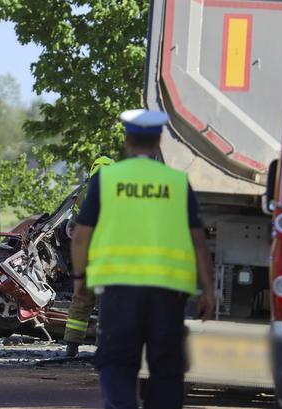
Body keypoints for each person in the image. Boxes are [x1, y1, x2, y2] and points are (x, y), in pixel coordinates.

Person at [70, 109, 216, 409]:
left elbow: (81, 235)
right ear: (159, 140)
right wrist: (208, 290)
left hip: (119, 291)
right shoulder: (177, 182)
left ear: (126, 140)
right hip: (168, 293)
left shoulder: (107, 180)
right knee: (165, 371)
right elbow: (198, 240)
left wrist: (80, 279)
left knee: (117, 365)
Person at [64, 156, 115, 357]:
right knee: (107, 305)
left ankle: (71, 346)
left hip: (88, 258)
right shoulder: (117, 194)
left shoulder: (85, 193)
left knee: (81, 301)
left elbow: (75, 225)